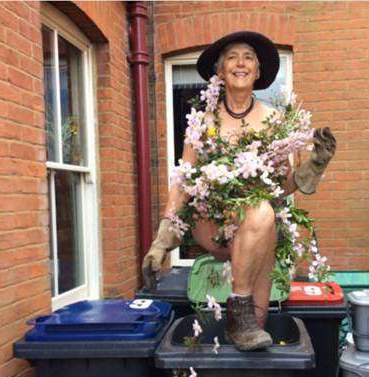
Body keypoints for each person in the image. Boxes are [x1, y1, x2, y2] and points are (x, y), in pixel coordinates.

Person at [142, 31, 336, 351]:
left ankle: (243, 342)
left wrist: (311, 168)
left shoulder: (274, 121)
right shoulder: (203, 122)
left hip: (259, 230)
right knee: (260, 210)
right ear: (220, 71)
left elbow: (279, 188)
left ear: (258, 72)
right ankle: (239, 310)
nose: (240, 63)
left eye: (248, 57)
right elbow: (184, 179)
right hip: (213, 224)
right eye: (232, 57)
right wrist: (163, 240)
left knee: (255, 329)